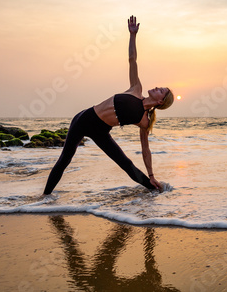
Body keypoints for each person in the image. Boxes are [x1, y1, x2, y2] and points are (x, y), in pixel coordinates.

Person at [42, 16, 174, 195]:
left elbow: (145, 149)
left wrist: (151, 174)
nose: (157, 87)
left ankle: (155, 191)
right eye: (160, 87)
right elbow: (132, 59)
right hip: (84, 118)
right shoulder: (136, 88)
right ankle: (45, 198)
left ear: (160, 102)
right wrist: (133, 36)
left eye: (161, 91)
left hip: (101, 131)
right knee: (65, 159)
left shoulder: (144, 121)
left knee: (126, 165)